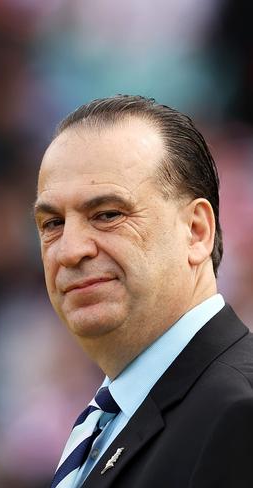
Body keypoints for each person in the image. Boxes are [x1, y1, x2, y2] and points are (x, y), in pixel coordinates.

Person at [34, 95, 253, 487]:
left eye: (107, 215)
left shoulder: (239, 415)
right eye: (52, 223)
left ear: (196, 232)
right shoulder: (112, 420)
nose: (69, 250)